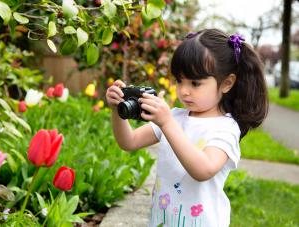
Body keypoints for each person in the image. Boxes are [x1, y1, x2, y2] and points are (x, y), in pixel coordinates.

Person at [105, 28, 268, 227]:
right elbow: (128, 142)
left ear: (227, 83)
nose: (184, 91)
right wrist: (117, 111)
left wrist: (167, 124)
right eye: (179, 80)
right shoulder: (175, 117)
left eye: (195, 83)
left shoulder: (225, 128)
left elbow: (203, 169)